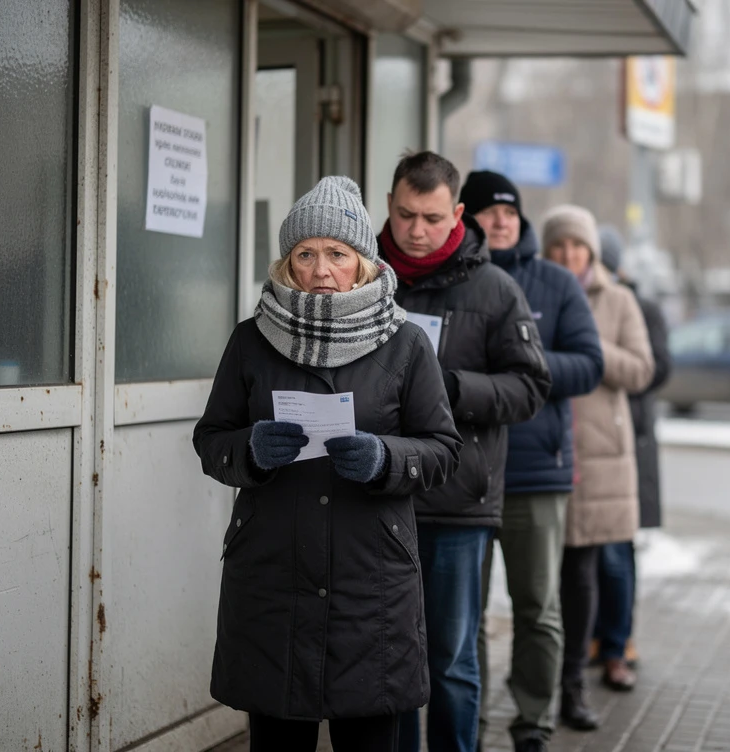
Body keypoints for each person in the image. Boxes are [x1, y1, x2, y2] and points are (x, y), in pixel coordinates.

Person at [193, 176, 462, 752]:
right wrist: (249, 452)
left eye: (337, 254)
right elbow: (211, 438)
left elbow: (443, 450)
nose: (321, 270)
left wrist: (386, 457)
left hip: (371, 585)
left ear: (362, 264)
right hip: (272, 576)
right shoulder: (250, 341)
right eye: (306, 254)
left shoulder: (406, 343)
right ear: (286, 263)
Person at [379, 152, 552, 752]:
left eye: (430, 217)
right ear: (389, 205)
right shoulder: (363, 275)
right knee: (388, 658)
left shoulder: (495, 288)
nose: (416, 230)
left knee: (450, 661)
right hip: (375, 494)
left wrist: (451, 388)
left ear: (456, 213)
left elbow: (532, 387)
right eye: (404, 215)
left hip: (456, 503)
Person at [461, 171, 604, 752]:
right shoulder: (454, 283)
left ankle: (533, 722)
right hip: (461, 472)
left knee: (538, 608)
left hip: (535, 473)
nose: (502, 220)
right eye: (489, 211)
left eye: (510, 211)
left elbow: (590, 364)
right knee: (460, 614)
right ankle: (465, 720)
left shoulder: (555, 283)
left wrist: (524, 364)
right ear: (464, 217)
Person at [540, 206, 653, 731]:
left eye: (577, 247)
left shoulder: (620, 299)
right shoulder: (535, 292)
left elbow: (641, 369)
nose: (568, 256)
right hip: (547, 450)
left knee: (591, 571)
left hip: (602, 457)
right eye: (559, 246)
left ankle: (587, 673)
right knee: (547, 579)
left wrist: (591, 346)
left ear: (591, 251)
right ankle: (546, 679)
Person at [589, 225, 673, 691]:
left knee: (618, 551)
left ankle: (620, 640)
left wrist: (602, 357)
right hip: (586, 444)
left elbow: (657, 367)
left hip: (627, 442)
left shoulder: (642, 307)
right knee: (586, 555)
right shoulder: (574, 300)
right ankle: (595, 638)